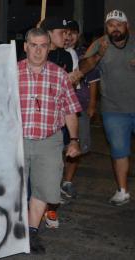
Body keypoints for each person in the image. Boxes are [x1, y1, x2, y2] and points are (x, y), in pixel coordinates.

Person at [17, 28, 81, 254]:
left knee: (43, 189)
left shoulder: (59, 75)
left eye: (43, 45)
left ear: (49, 47)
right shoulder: (10, 72)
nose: (37, 50)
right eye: (33, 45)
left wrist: (73, 140)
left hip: (49, 141)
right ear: (25, 46)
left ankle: (31, 232)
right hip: (17, 141)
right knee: (13, 188)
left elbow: (70, 110)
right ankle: (12, 232)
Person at [79, 9, 135, 206]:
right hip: (113, 110)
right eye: (111, 25)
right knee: (119, 151)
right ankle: (122, 191)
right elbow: (83, 70)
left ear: (126, 26)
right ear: (107, 28)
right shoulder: (99, 44)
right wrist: (99, 55)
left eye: (119, 24)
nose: (115, 28)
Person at [60, 20, 101, 201]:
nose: (68, 36)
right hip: (59, 110)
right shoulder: (55, 54)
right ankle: (54, 181)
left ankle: (67, 182)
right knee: (58, 147)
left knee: (76, 147)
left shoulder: (84, 55)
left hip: (81, 108)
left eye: (73, 33)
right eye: (65, 32)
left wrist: (92, 105)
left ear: (78, 35)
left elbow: (93, 82)